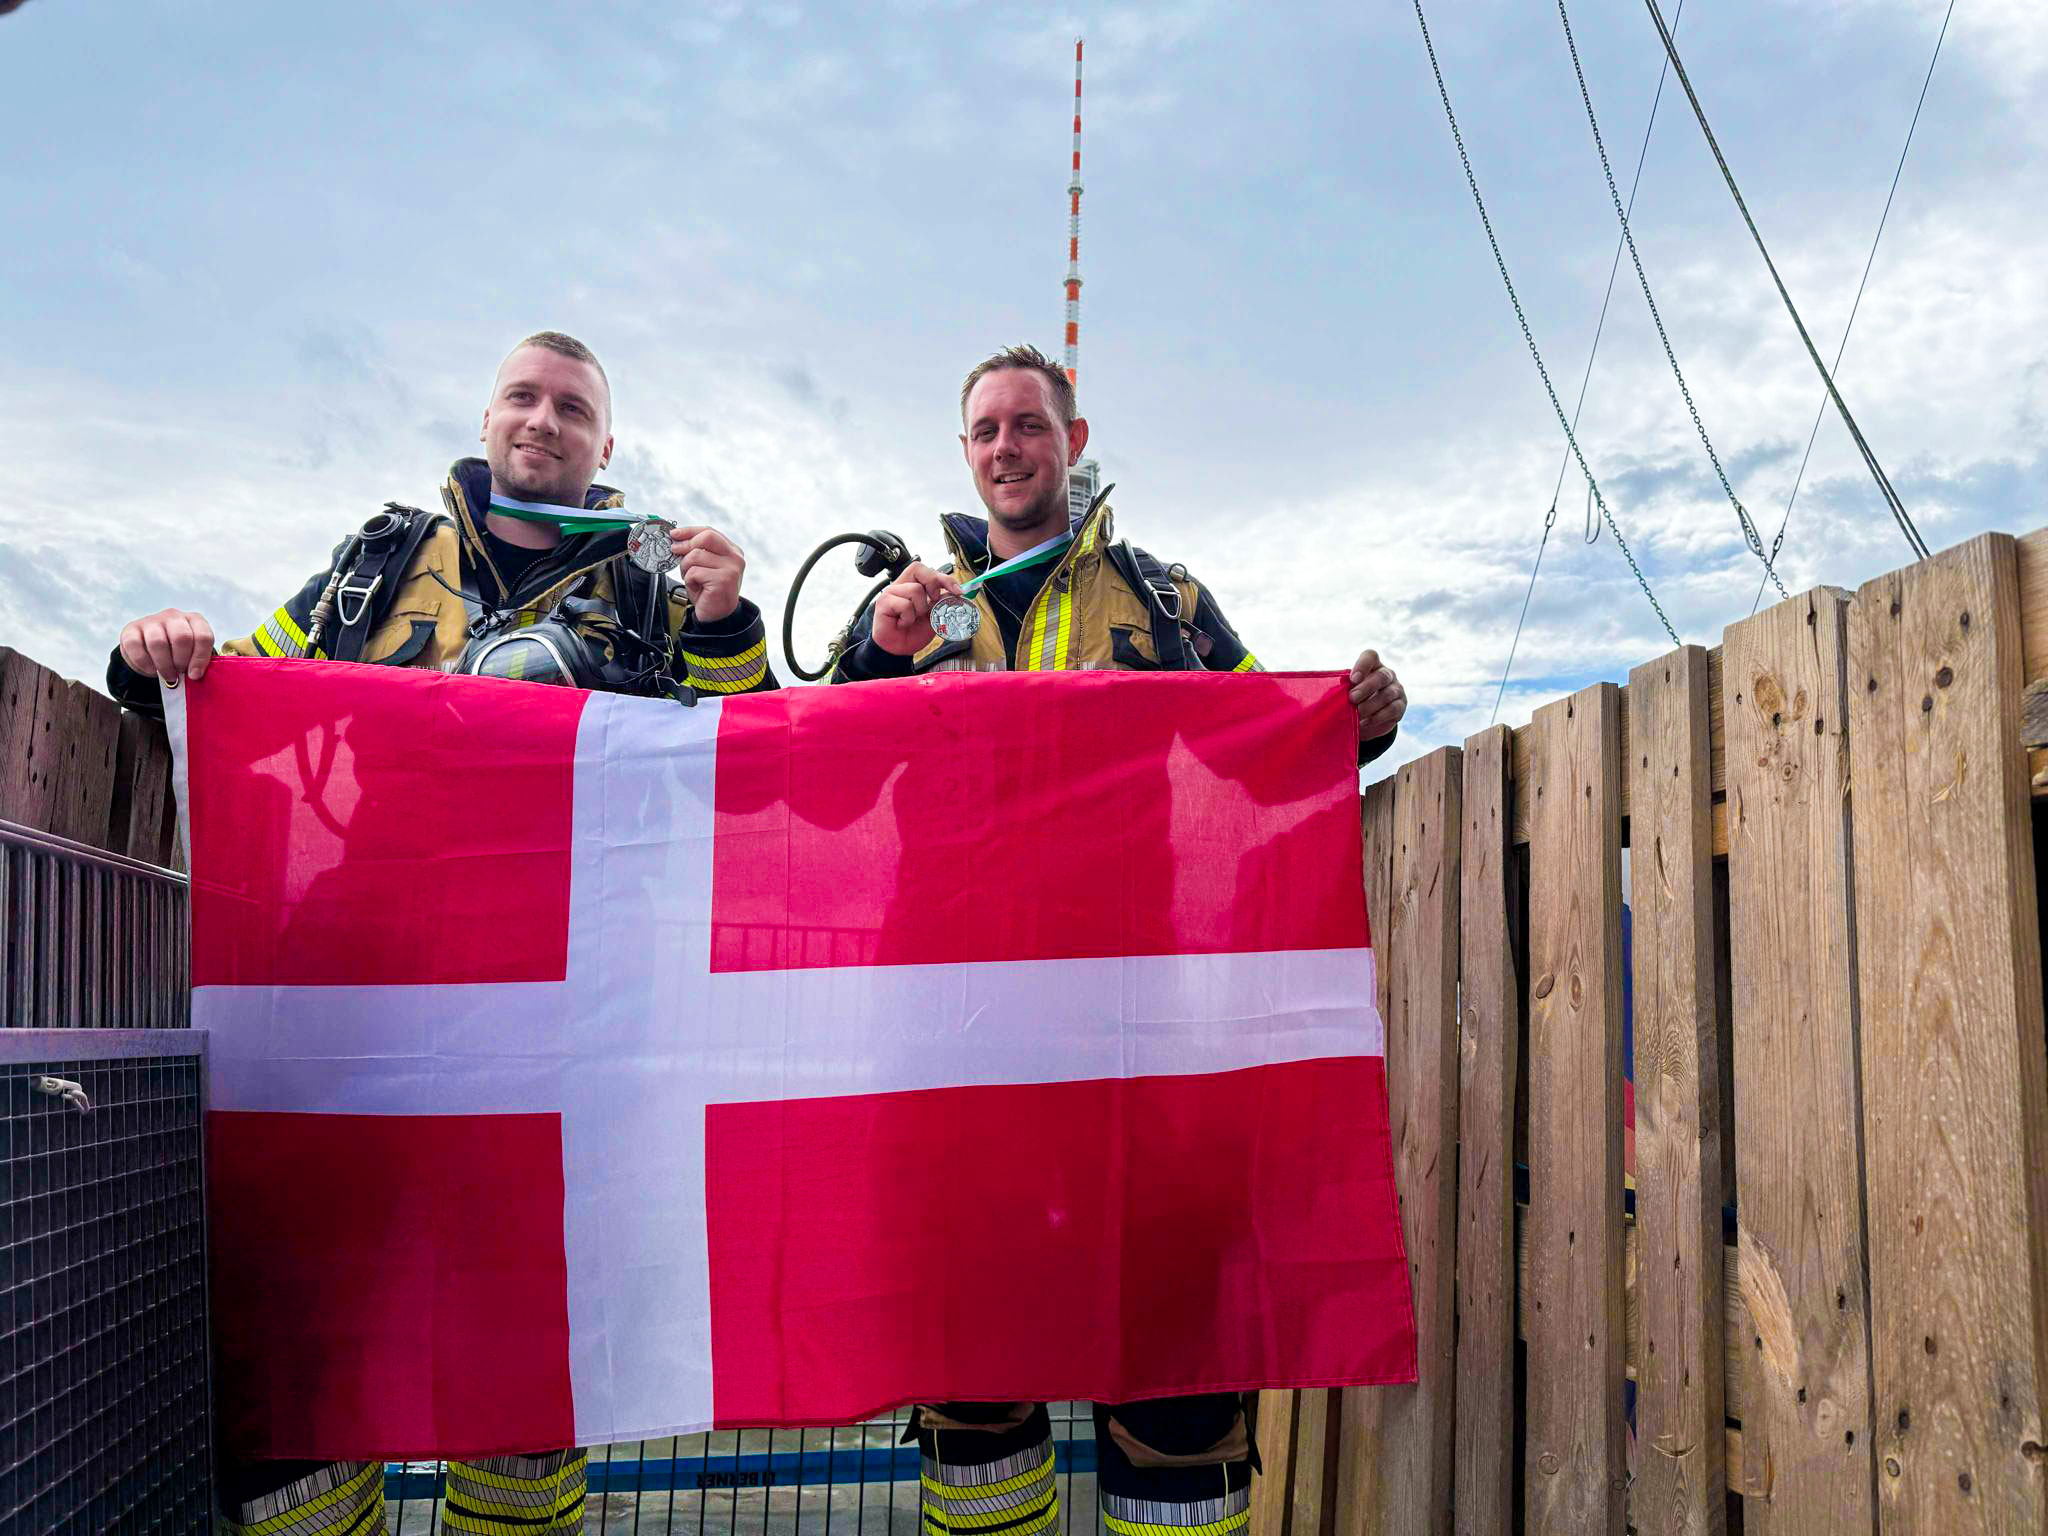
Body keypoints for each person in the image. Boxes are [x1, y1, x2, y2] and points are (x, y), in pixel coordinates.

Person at [110, 329, 776, 1536]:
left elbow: (753, 772)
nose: (543, 420)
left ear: (605, 443)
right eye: (523, 396)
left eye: (571, 407)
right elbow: (225, 690)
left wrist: (728, 625)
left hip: (562, 1008)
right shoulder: (375, 563)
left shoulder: (657, 588)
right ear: (485, 418)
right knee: (317, 1309)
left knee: (524, 1331)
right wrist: (147, 655)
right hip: (366, 992)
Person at [828, 343, 1405, 1536]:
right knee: (971, 1374)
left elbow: (1270, 747)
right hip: (954, 1041)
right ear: (964, 452)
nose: (1007, 447)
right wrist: (879, 654)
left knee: (1172, 1362)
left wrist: (1357, 723)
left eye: (1029, 425)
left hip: (1136, 1031)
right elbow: (820, 784)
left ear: (1072, 441)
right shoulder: (911, 609)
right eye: (986, 429)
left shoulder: (1165, 602)